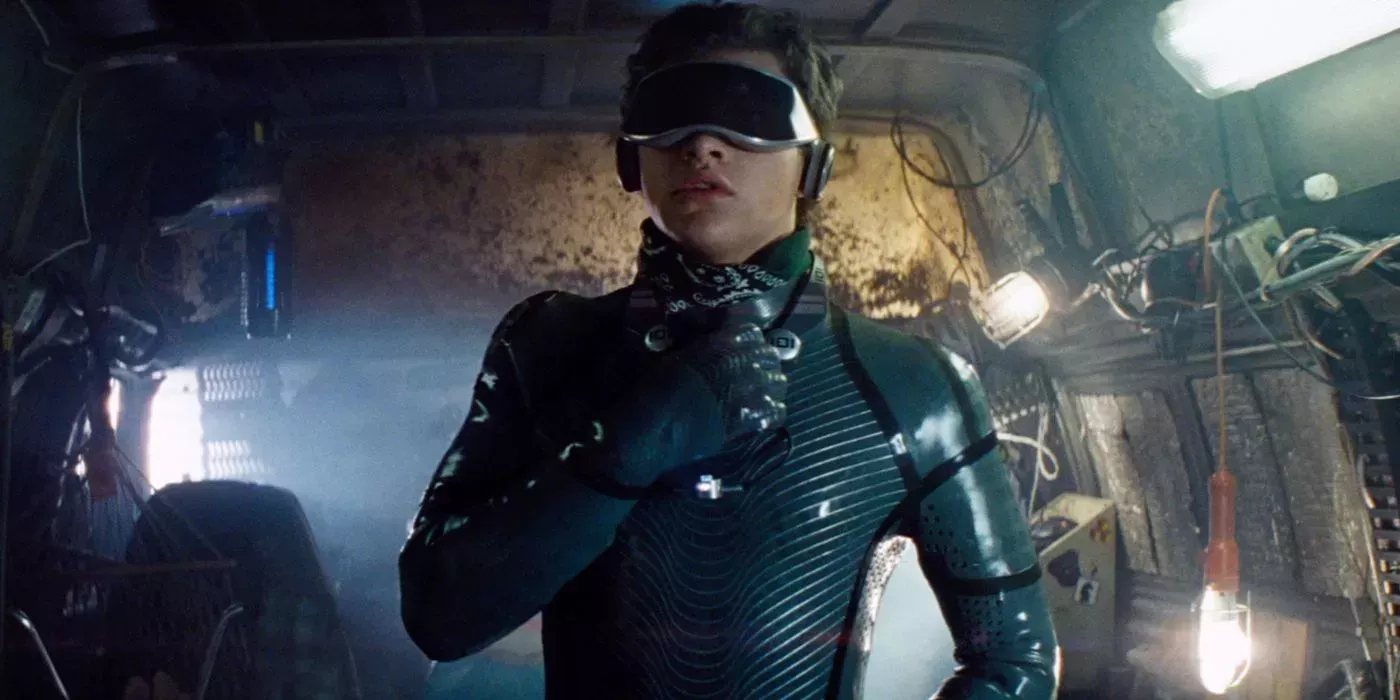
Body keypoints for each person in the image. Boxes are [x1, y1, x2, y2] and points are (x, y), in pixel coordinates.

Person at [398, 3, 1060, 698]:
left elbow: (1014, 663)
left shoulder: (914, 384)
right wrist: (631, 445)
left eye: (751, 114)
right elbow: (438, 616)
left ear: (813, 166)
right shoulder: (545, 345)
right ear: (631, 158)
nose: (704, 146)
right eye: (672, 115)